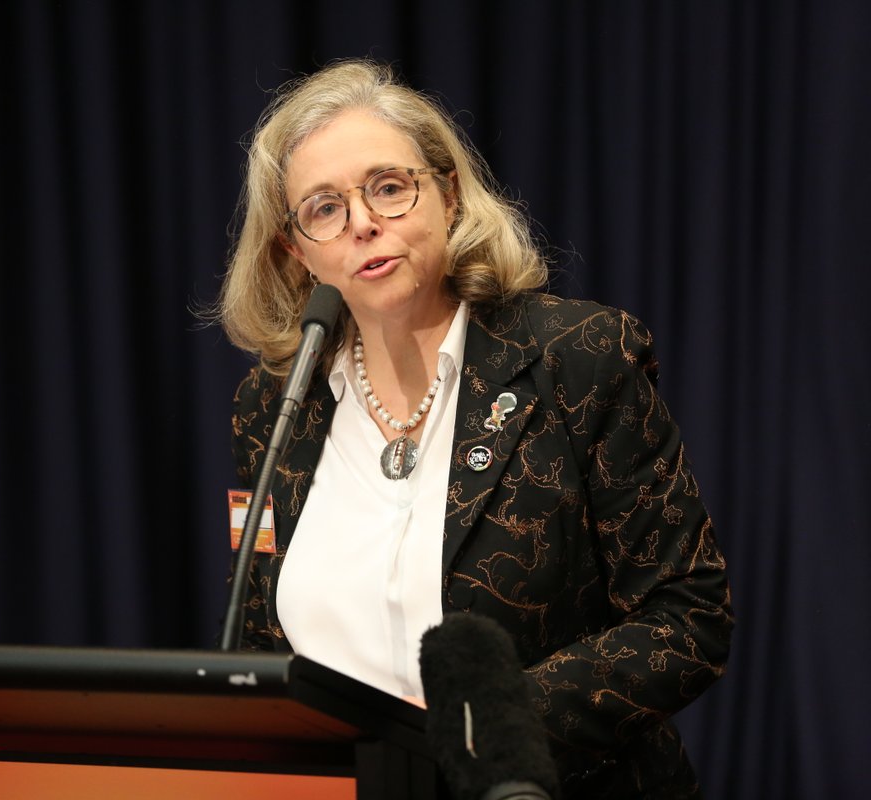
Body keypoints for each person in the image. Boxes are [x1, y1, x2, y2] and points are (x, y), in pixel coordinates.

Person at [215, 59, 733, 798]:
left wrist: (488, 728)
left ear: (448, 196)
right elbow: (257, 642)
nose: (363, 222)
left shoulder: (577, 360)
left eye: (389, 188)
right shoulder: (272, 411)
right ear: (297, 251)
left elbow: (688, 615)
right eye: (324, 208)